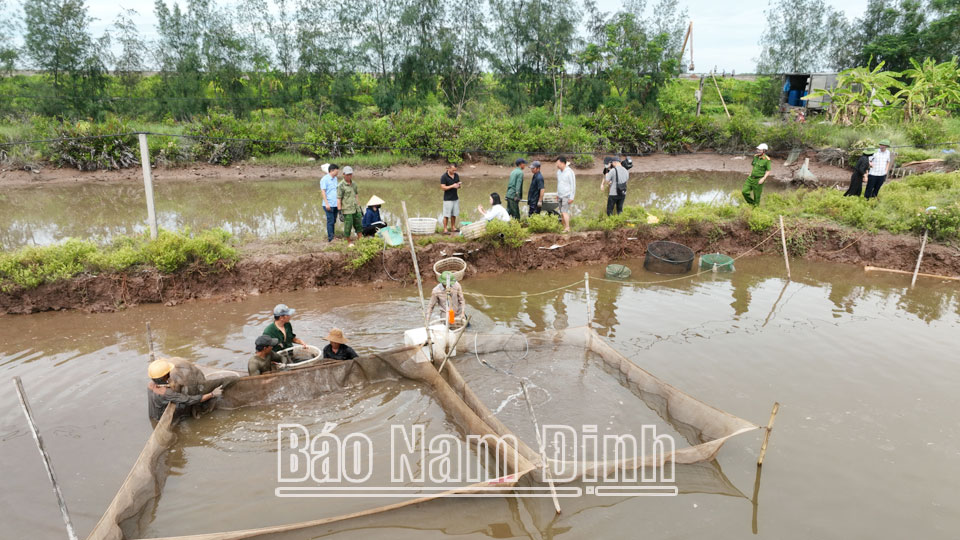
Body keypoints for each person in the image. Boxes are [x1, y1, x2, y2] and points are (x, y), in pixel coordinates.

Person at [147, 359, 224, 422]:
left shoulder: (150, 384)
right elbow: (190, 400)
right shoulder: (167, 393)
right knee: (187, 406)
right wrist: (212, 394)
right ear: (164, 376)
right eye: (168, 372)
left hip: (153, 414)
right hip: (163, 419)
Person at [338, 166, 362, 242]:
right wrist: (340, 212)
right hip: (347, 210)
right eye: (347, 174)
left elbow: (356, 196)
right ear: (343, 174)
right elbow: (339, 199)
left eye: (350, 174)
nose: (349, 176)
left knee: (359, 225)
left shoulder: (354, 184)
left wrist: (360, 208)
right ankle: (348, 242)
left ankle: (360, 240)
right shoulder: (340, 185)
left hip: (356, 209)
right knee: (348, 226)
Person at [320, 164, 340, 242]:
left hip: (335, 204)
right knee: (330, 220)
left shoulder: (335, 179)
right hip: (328, 204)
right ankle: (330, 238)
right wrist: (327, 203)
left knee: (334, 220)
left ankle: (332, 235)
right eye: (336, 171)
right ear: (331, 170)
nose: (337, 173)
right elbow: (323, 192)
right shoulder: (324, 179)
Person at [556, 156, 576, 233]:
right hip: (560, 195)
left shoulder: (569, 172)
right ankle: (564, 227)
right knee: (561, 212)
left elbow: (573, 185)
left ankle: (567, 228)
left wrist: (572, 197)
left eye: (558, 163)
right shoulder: (558, 172)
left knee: (564, 211)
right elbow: (559, 183)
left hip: (567, 195)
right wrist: (557, 193)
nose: (557, 165)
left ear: (563, 163)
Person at [440, 164, 462, 233]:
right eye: (453, 170)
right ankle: (445, 229)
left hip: (455, 198)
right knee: (446, 215)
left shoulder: (456, 175)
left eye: (455, 170)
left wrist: (458, 186)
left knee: (454, 214)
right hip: (447, 199)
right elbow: (443, 188)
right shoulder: (444, 177)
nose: (454, 172)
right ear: (448, 169)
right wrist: (452, 186)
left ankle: (453, 227)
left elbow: (458, 186)